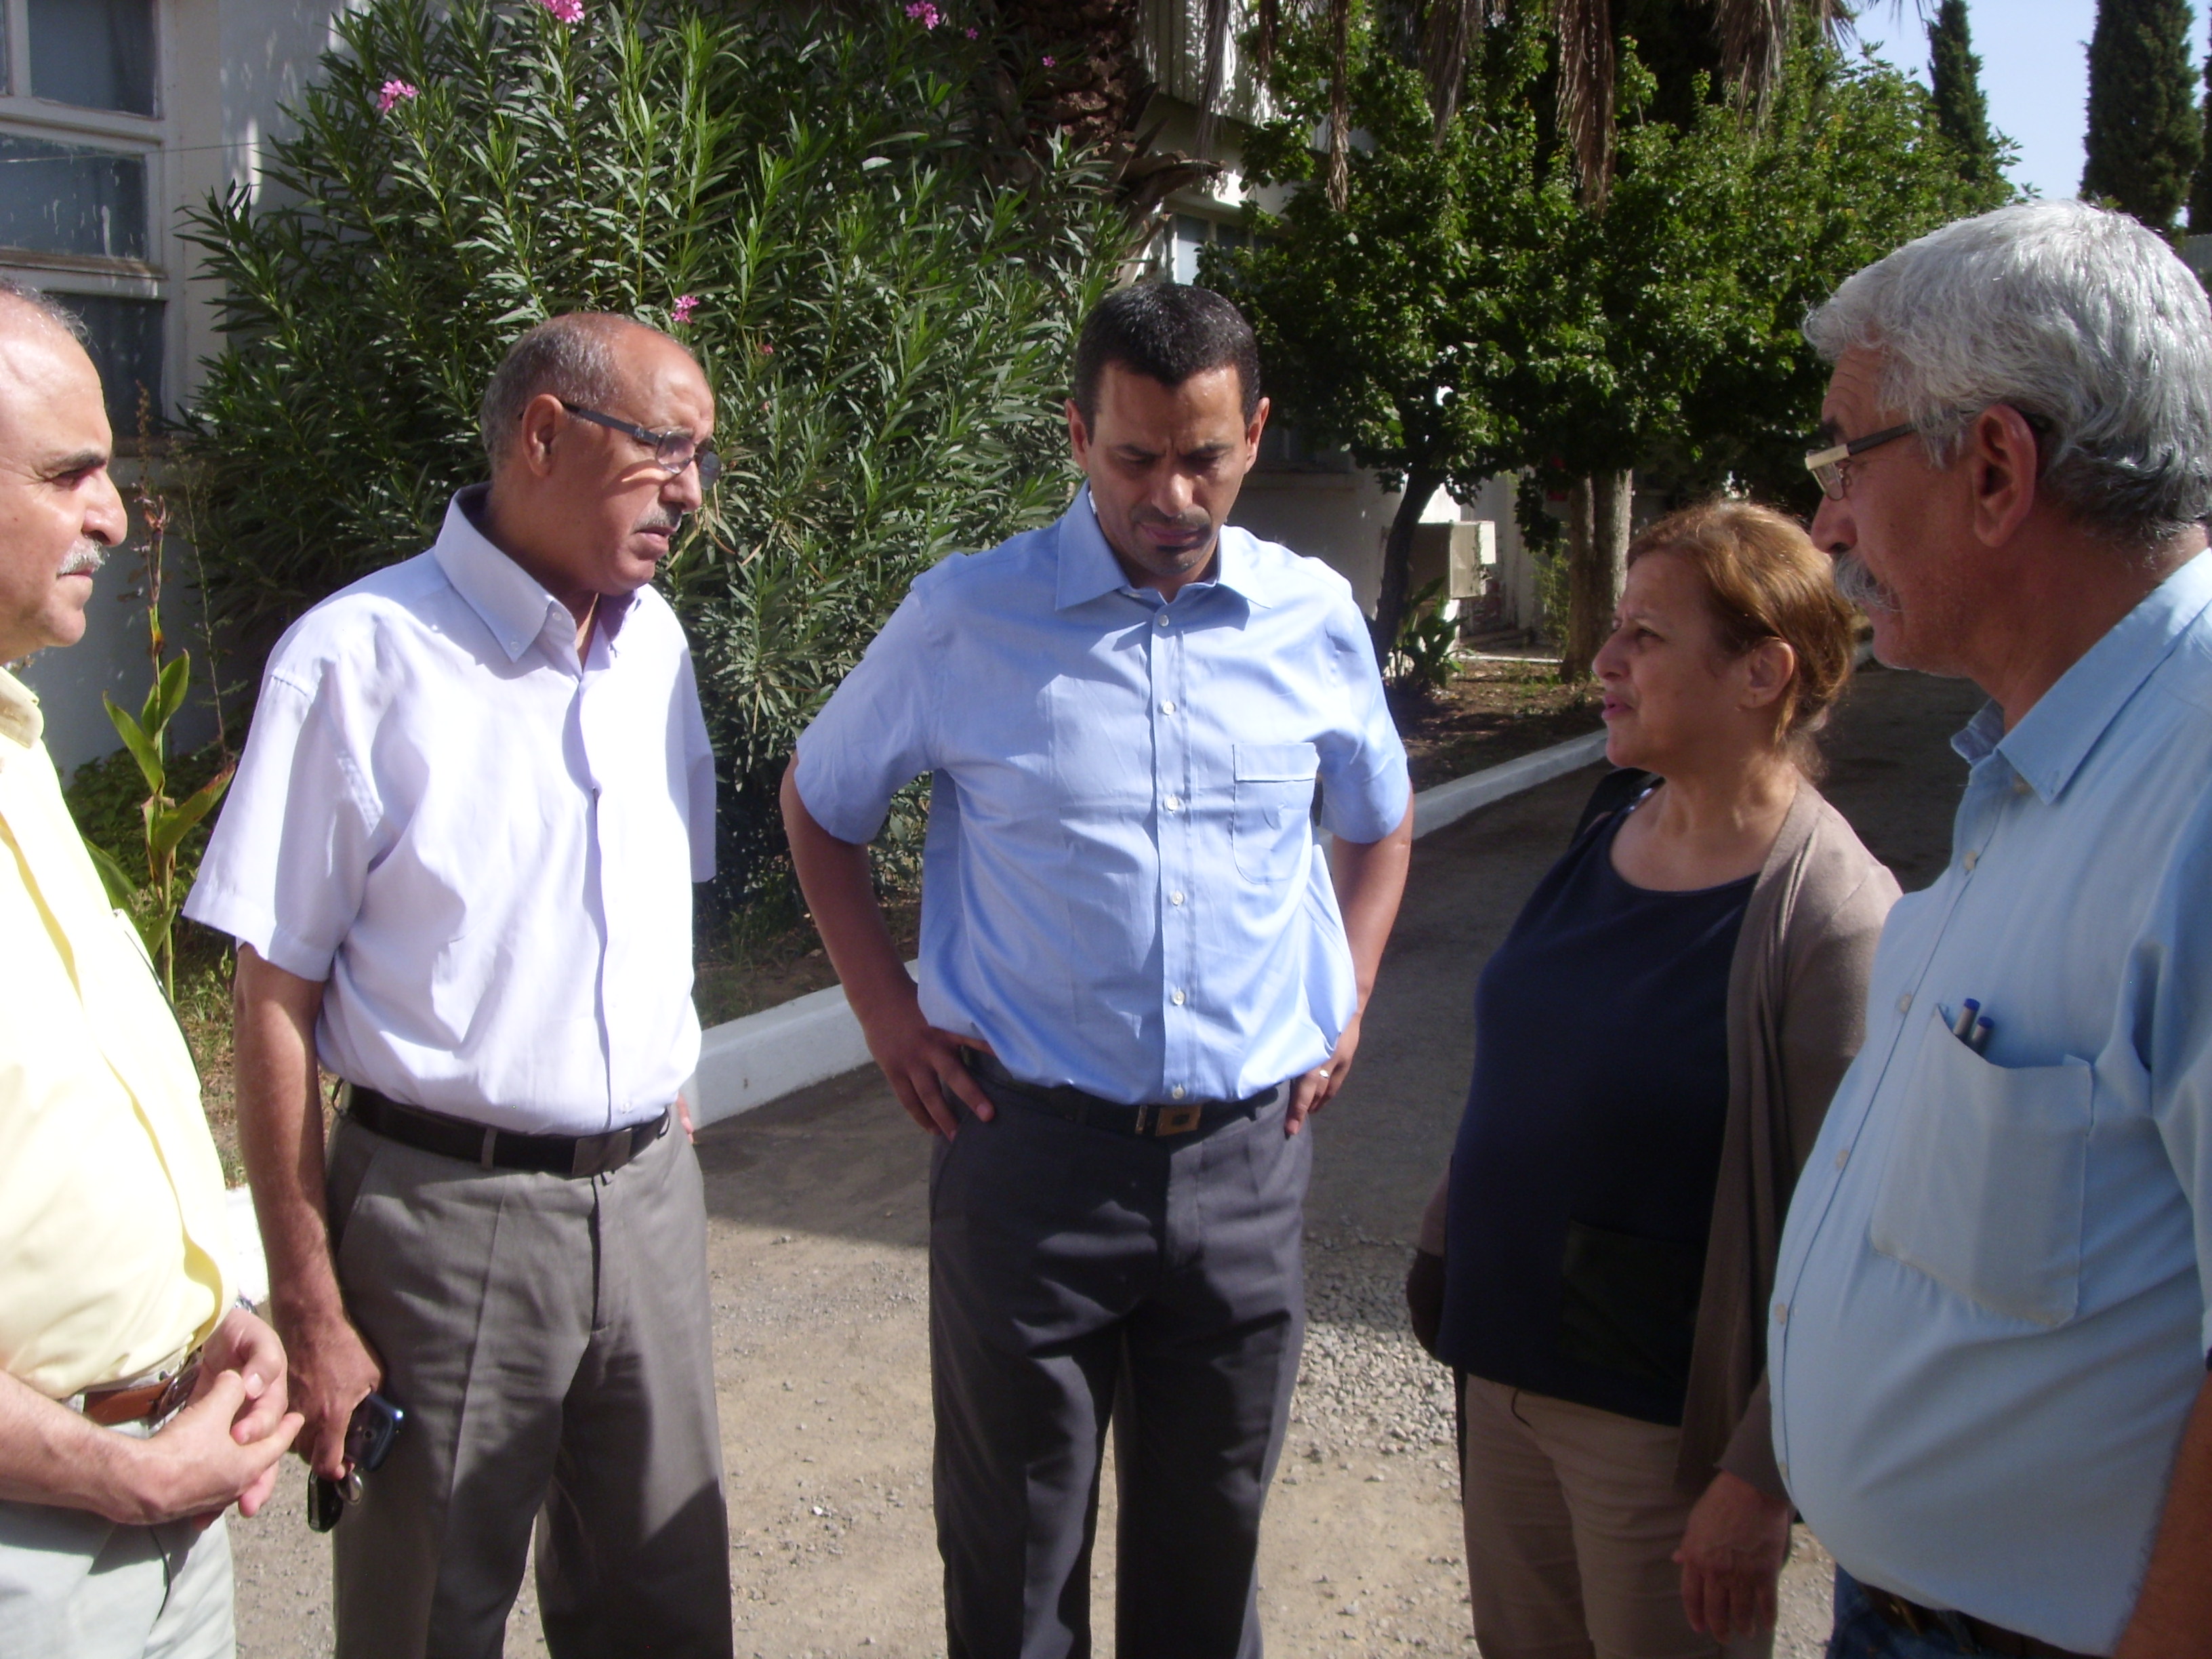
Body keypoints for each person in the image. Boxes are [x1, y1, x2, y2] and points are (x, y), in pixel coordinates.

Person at [781, 283, 1413, 1657]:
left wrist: (1349, 991)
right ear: (1077, 436)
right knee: (1013, 1572)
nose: (1171, 495)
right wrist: (887, 1014)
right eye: (1134, 457)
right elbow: (822, 805)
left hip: (1247, 1168)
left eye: (1206, 457)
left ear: (1255, 433)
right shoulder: (967, 619)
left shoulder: (1311, 617)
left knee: (1210, 1563)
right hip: (1032, 1168)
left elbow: (1379, 819)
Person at [184, 312, 729, 1658]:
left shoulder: (656, 649)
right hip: (442, 1226)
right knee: (427, 1620)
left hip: (647, 1205)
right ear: (544, 434)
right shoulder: (359, 658)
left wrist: (661, 1091)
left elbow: (655, 900)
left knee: (665, 1608)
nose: (691, 493)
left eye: (703, 460)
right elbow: (271, 999)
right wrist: (311, 1306)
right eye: (666, 450)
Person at [1769, 199, 2212, 1659]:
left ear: (1998, 470)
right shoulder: (2055, 746)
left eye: (1850, 457)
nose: (1828, 522)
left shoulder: (2195, 778)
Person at [1405, 501, 1896, 1659]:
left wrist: (1759, 1477)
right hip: (1506, 1364)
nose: (1604, 660)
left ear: (1762, 673)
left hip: (1658, 1426)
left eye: (1646, 636)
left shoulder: (1832, 916)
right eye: (1615, 627)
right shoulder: (1613, 816)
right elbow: (1530, 1066)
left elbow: (1850, 1239)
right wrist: (1446, 1245)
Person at [0, 280, 301, 1656]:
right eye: (69, 475)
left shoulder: (18, 745)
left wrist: (204, 1315)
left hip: (164, 1496)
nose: (116, 518)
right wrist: (113, 1472)